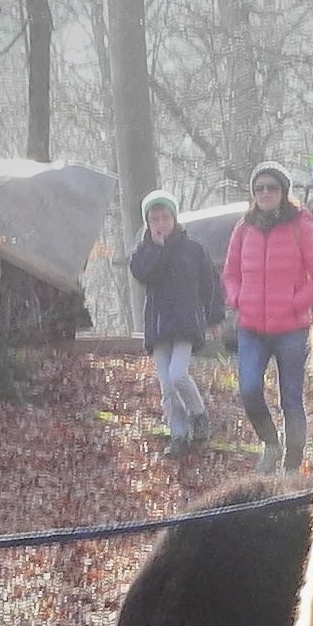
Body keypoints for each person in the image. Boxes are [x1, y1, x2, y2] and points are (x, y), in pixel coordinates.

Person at [221, 160, 313, 473]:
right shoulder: (243, 228)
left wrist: (295, 303)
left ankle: (291, 467)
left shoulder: (301, 225)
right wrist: (237, 298)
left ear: (283, 192)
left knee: (291, 400)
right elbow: (230, 273)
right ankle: (271, 444)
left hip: (291, 330)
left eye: (272, 187)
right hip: (251, 328)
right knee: (248, 389)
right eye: (259, 188)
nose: (265, 193)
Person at [129, 190, 222, 458]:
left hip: (185, 324)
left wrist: (214, 317)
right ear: (147, 222)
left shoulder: (193, 248)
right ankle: (178, 435)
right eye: (154, 219)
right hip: (158, 327)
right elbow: (142, 273)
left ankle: (199, 413)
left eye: (165, 217)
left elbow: (210, 284)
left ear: (174, 218)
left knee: (178, 375)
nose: (160, 224)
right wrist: (156, 249)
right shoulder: (143, 251)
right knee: (166, 386)